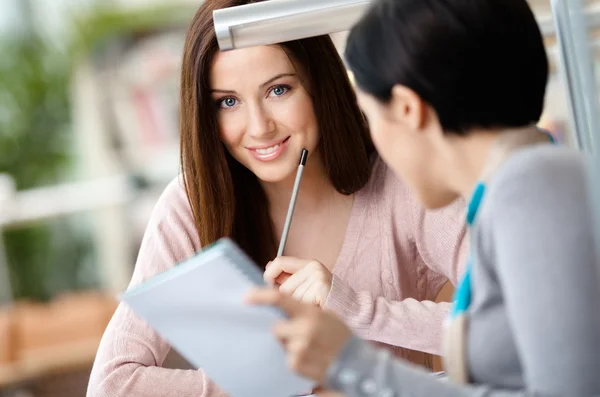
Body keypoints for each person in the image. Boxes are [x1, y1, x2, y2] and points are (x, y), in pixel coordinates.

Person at [86, 0, 469, 396]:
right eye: (228, 102)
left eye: (278, 89)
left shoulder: (397, 173)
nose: (259, 128)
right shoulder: (190, 205)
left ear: (320, 85)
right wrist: (258, 381)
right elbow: (112, 385)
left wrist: (356, 309)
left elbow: (512, 324)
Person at [247, 0, 600, 396]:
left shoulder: (532, 186)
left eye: (369, 115)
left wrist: (354, 363)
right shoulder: (516, 190)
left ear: (408, 109)